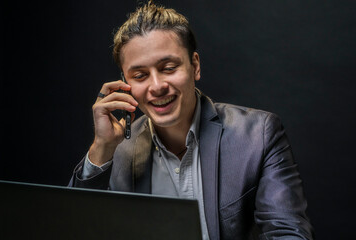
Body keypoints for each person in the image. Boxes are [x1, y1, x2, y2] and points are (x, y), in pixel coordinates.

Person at [69, 1, 314, 239]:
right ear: (126, 84)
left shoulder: (258, 135)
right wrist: (101, 149)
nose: (156, 86)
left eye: (168, 68)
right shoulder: (117, 149)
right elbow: (73, 228)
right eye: (140, 75)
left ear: (194, 66)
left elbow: (288, 233)